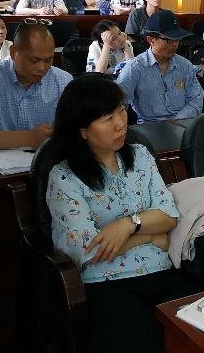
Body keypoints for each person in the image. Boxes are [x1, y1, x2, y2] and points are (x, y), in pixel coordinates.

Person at [46, 75, 191, 353]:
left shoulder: (140, 156)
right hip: (109, 284)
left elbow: (168, 215)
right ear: (82, 130)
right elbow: (87, 250)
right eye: (107, 118)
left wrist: (127, 225)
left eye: (122, 111)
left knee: (202, 338)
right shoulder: (65, 177)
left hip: (163, 273)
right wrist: (150, 236)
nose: (120, 124)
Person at [0, 21, 72, 150]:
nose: (42, 68)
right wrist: (29, 138)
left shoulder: (63, 81)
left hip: (48, 160)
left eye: (48, 60)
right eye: (34, 61)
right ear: (13, 53)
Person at [116, 10, 204, 123]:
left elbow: (196, 98)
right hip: (149, 127)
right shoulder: (135, 68)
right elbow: (118, 104)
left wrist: (177, 121)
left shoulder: (185, 65)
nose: (175, 44)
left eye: (177, 39)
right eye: (169, 40)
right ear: (151, 40)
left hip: (182, 123)